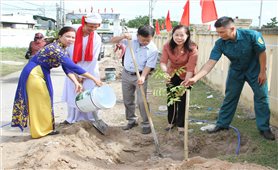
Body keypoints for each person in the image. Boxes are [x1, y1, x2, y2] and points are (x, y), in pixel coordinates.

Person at [183, 16, 275, 140]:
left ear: (232, 28)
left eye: (222, 32)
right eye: (218, 32)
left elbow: (262, 52)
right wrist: (195, 78)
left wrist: (263, 72)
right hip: (236, 72)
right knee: (230, 97)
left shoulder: (252, 35)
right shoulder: (220, 43)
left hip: (255, 71)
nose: (220, 35)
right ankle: (222, 124)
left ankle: (264, 129)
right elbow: (211, 62)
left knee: (261, 97)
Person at [11, 26, 103, 139]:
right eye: (67, 36)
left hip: (40, 72)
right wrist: (94, 79)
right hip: (34, 73)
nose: (70, 39)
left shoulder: (61, 48)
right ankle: (39, 132)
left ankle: (44, 129)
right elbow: (73, 67)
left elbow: (66, 68)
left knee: (45, 101)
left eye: (73, 37)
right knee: (40, 102)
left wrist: (75, 82)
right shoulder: (56, 49)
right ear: (60, 36)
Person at [110, 25, 159, 134]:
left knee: (142, 101)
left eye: (148, 40)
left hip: (141, 75)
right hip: (126, 74)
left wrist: (142, 77)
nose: (145, 42)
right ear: (138, 36)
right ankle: (131, 120)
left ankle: (146, 123)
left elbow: (149, 65)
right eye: (143, 39)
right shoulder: (130, 40)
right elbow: (112, 41)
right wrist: (123, 36)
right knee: (127, 99)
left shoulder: (153, 50)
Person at [62, 13, 103, 124]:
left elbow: (93, 59)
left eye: (96, 27)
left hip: (89, 70)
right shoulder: (72, 33)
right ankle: (72, 119)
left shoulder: (96, 38)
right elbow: (65, 54)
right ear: (84, 23)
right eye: (90, 26)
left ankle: (90, 119)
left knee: (89, 95)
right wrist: (75, 74)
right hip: (72, 68)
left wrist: (83, 75)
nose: (93, 29)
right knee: (73, 93)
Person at [160, 25, 198, 134]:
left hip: (186, 74)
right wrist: (165, 73)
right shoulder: (167, 46)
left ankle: (181, 124)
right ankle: (171, 122)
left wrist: (186, 83)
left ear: (187, 36)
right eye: (176, 35)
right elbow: (163, 62)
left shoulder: (192, 48)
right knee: (171, 98)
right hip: (172, 73)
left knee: (182, 99)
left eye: (182, 35)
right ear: (173, 35)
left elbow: (191, 67)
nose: (179, 38)